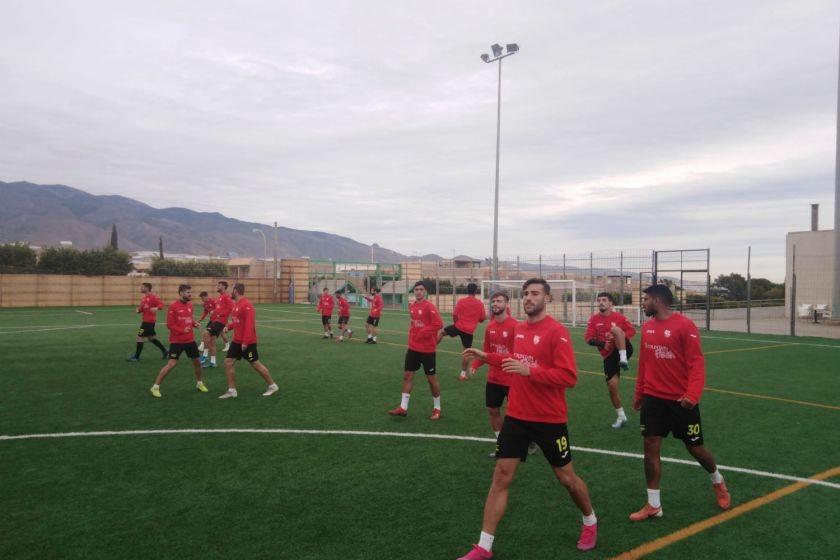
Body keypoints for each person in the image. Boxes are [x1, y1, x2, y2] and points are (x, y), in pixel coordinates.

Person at [459, 279, 598, 558]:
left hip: (549, 419)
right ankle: (484, 547)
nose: (528, 298)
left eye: (534, 293)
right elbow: (514, 357)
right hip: (517, 416)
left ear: (547, 298)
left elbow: (569, 377)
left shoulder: (557, 333)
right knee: (501, 476)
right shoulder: (520, 329)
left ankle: (590, 521)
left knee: (567, 479)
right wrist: (487, 356)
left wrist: (529, 372)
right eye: (525, 294)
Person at [629, 284, 731, 522]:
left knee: (695, 448)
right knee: (650, 448)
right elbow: (644, 364)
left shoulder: (685, 326)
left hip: (681, 401)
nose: (642, 303)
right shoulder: (647, 328)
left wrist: (692, 395)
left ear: (657, 300)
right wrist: (639, 394)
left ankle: (717, 479)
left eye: (645, 299)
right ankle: (654, 504)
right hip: (654, 399)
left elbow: (696, 364)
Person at [468, 291, 521, 457]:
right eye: (494, 301)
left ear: (507, 304)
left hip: (512, 379)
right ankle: (502, 445)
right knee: (493, 410)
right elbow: (487, 352)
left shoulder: (516, 326)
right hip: (494, 378)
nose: (495, 304)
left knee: (517, 414)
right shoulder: (489, 327)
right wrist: (476, 364)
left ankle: (528, 440)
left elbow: (519, 355)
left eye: (499, 301)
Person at [388, 281, 444, 420]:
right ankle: (403, 407)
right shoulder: (412, 306)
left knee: (431, 379)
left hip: (427, 349)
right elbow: (414, 323)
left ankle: (437, 408)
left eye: (421, 289)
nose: (418, 291)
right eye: (416, 289)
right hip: (413, 347)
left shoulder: (429, 307)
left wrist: (424, 331)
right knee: (407, 376)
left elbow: (439, 324)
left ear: (425, 291)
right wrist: (413, 335)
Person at [584, 291, 636, 428]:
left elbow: (632, 331)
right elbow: (588, 339)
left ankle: (624, 359)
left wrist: (617, 335)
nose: (601, 302)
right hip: (609, 355)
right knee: (612, 388)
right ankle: (621, 417)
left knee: (616, 330)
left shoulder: (619, 317)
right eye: (599, 300)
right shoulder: (594, 319)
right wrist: (603, 344)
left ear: (611, 303)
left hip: (624, 349)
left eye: (604, 300)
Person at [218, 283, 279, 399]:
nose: (231, 292)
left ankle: (272, 386)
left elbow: (249, 325)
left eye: (232, 290)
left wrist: (245, 342)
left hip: (248, 342)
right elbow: (237, 321)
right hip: (236, 341)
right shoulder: (236, 305)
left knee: (255, 364)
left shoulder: (247, 305)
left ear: (235, 291)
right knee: (228, 362)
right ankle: (232, 390)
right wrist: (229, 327)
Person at [150, 284, 208, 398]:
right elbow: (170, 325)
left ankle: (199, 383)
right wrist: (182, 330)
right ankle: (155, 387)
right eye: (187, 292)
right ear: (181, 293)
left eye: (190, 292)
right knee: (171, 364)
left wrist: (194, 324)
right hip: (177, 341)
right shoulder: (173, 306)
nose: (190, 294)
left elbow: (189, 319)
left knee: (197, 362)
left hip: (190, 340)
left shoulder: (190, 305)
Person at [438, 282, 487, 379]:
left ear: (467, 290)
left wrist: (456, 324)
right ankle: (463, 375)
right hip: (469, 331)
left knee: (441, 332)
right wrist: (475, 318)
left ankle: (429, 348)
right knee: (466, 352)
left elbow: (455, 314)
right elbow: (482, 319)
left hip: (458, 327)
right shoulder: (480, 304)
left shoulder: (461, 301)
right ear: (476, 291)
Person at [127, 282, 168, 361]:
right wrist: (138, 310)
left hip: (148, 322)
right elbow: (141, 309)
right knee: (151, 338)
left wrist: (156, 308)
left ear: (147, 288)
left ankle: (136, 357)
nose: (141, 288)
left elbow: (161, 305)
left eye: (142, 287)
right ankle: (165, 351)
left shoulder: (153, 297)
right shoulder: (144, 299)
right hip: (146, 322)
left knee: (139, 337)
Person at [201, 281, 233, 368]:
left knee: (206, 333)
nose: (217, 286)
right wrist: (214, 312)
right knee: (212, 342)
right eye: (217, 285)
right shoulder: (220, 297)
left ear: (224, 287)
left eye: (219, 285)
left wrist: (220, 315)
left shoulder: (226, 296)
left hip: (221, 321)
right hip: (216, 320)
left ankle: (204, 355)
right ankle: (213, 362)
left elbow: (231, 308)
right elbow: (219, 309)